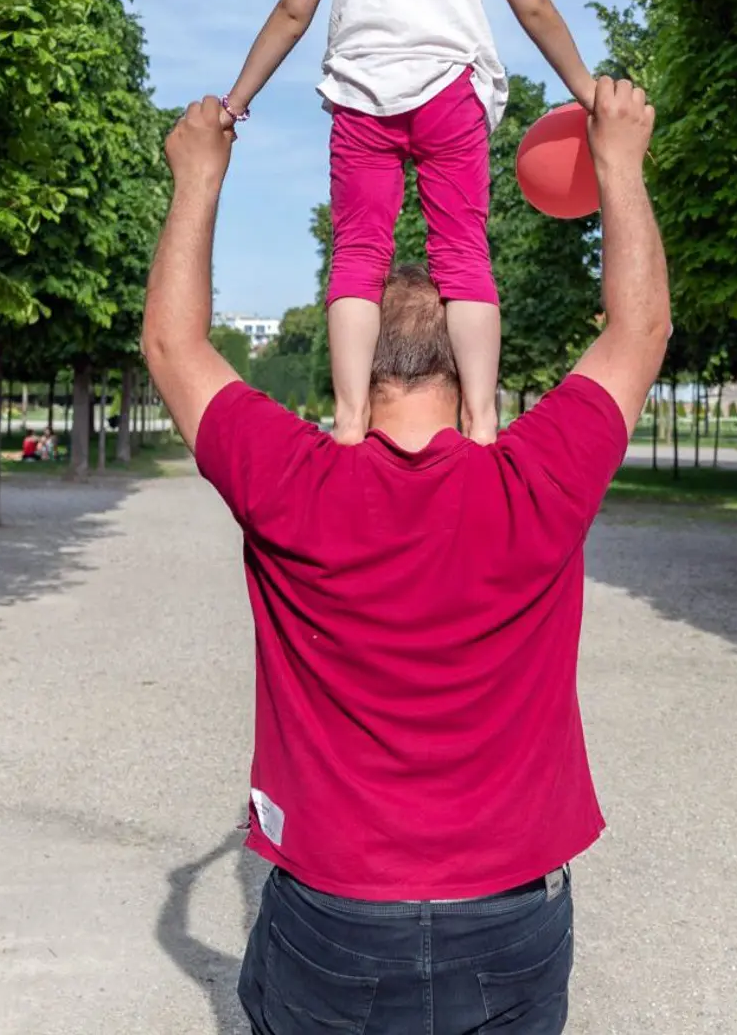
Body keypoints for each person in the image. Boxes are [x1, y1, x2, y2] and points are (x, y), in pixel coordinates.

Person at [142, 81, 667, 1035]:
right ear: (470, 367)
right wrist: (621, 166)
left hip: (335, 915)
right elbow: (639, 330)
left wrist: (198, 176)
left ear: (352, 362)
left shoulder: (295, 484)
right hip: (511, 913)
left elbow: (175, 345)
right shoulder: (535, 480)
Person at [219, 0, 603, 447]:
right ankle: (482, 421)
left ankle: (348, 421)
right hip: (449, 91)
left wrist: (237, 101)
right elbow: (532, 4)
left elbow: (292, 12)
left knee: (357, 257)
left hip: (360, 98)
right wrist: (585, 86)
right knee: (463, 254)